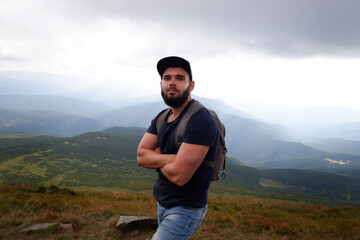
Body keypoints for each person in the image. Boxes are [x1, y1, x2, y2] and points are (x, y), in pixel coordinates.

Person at [137, 56, 219, 240]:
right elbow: (141, 156)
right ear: (161, 84)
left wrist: (156, 157)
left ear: (191, 86)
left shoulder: (201, 120)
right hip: (162, 201)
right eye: (167, 78)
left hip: (185, 209)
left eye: (180, 78)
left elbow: (179, 176)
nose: (172, 82)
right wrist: (171, 158)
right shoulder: (162, 116)